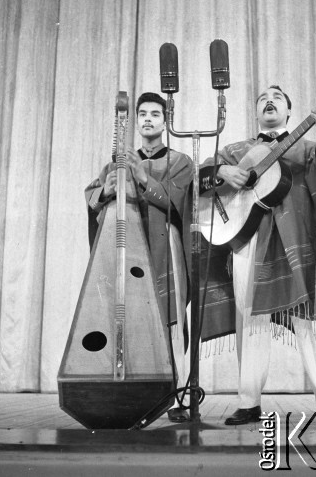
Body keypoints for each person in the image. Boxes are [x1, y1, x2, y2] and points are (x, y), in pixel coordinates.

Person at [198, 85, 316, 427]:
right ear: (256, 112)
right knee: (250, 318)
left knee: (308, 317)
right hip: (248, 237)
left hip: (294, 237)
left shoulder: (307, 145)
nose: (269, 101)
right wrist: (221, 172)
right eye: (263, 98)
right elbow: (200, 178)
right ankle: (248, 403)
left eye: (278, 98)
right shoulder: (235, 150)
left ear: (288, 113)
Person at [85, 92, 193, 423]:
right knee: (128, 322)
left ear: (165, 120)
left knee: (171, 323)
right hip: (126, 253)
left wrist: (143, 177)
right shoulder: (114, 164)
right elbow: (93, 198)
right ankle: (131, 394)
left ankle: (181, 399)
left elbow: (179, 204)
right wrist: (109, 187)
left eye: (155, 114)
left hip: (164, 250)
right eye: (142, 114)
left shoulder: (180, 162)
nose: (148, 119)